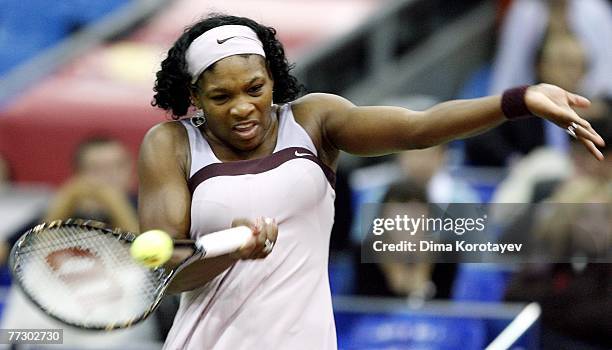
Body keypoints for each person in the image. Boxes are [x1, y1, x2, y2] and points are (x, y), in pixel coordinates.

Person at [142, 14, 605, 349]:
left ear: (272, 80)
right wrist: (230, 251)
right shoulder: (171, 144)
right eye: (221, 96)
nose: (242, 107)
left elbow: (418, 127)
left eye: (255, 88)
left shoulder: (313, 120)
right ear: (194, 96)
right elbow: (168, 268)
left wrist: (518, 99)